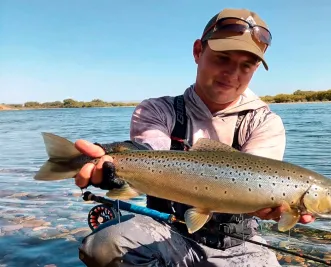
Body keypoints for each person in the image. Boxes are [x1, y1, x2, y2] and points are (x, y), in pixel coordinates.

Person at [75, 8, 315, 267]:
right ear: (198, 51)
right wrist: (111, 160)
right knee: (102, 247)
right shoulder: (157, 110)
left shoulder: (265, 122)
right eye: (222, 58)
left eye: (246, 66)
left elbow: (258, 178)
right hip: (166, 231)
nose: (232, 74)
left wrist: (274, 207)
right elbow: (148, 150)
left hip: (239, 243)